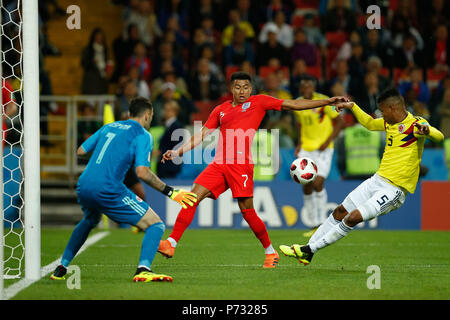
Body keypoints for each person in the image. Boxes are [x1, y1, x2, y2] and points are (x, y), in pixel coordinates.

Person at [157, 71, 348, 268]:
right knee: (191, 198)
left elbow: (293, 104)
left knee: (247, 211)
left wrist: (327, 102)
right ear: (231, 89)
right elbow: (202, 134)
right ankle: (171, 244)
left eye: (246, 87)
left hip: (241, 166)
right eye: (238, 87)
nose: (242, 91)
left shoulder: (259, 102)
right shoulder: (220, 110)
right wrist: (178, 150)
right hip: (218, 164)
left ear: (251, 89)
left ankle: (270, 252)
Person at [280, 87, 444, 265]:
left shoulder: (416, 125)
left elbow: (440, 136)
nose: (381, 115)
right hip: (377, 180)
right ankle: (307, 249)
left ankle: (309, 250)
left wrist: (428, 132)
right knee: (340, 211)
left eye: (382, 111)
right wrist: (353, 106)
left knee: (353, 217)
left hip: (394, 190)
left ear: (392, 109)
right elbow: (369, 123)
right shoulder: (389, 123)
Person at [50, 98, 198, 282]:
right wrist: (171, 192)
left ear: (129, 113)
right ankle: (143, 269)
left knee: (90, 219)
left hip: (84, 184)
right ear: (147, 115)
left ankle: (62, 267)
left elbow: (81, 150)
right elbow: (142, 173)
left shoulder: (109, 127)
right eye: (151, 116)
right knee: (155, 225)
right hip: (108, 188)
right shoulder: (143, 135)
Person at [293, 77, 345, 234]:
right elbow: (299, 124)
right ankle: (313, 223)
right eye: (303, 85)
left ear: (313, 87)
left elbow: (340, 122)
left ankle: (322, 222)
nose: (306, 87)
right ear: (301, 89)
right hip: (306, 148)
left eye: (309, 85)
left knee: (317, 183)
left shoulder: (323, 101)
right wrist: (300, 142)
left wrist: (327, 141)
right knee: (306, 184)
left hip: (324, 148)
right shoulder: (298, 103)